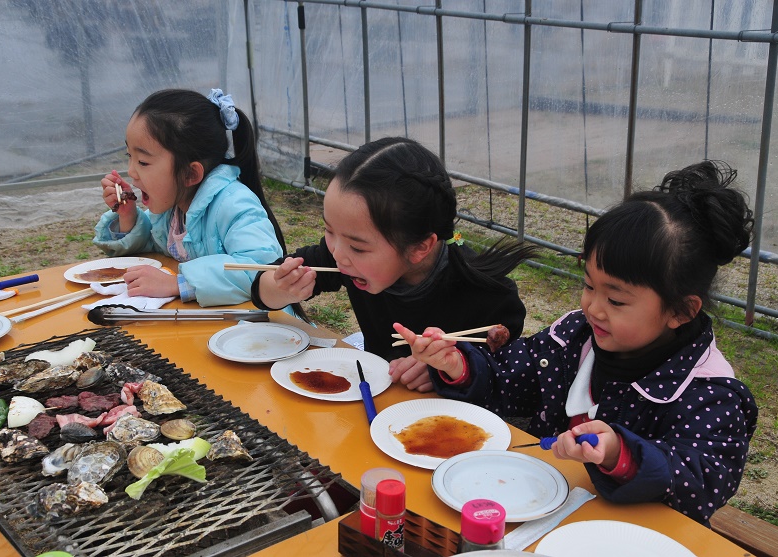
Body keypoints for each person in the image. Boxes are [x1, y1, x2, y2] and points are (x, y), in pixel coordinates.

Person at [394, 160, 758, 524]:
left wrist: (619, 453)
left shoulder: (711, 393)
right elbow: (510, 378)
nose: (593, 308)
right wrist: (457, 365)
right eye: (588, 285)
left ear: (680, 311)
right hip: (537, 505)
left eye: (616, 300)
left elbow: (703, 481)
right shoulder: (575, 336)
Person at [251, 137, 537, 388]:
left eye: (358, 247)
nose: (337, 252)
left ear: (419, 247)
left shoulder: (487, 296)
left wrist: (448, 367)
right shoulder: (340, 257)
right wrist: (281, 287)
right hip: (374, 394)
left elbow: (505, 370)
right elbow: (262, 292)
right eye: (329, 230)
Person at [93, 88, 286, 307]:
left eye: (143, 162)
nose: (132, 172)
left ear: (190, 174)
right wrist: (128, 218)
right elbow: (154, 243)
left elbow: (263, 268)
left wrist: (178, 283)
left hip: (259, 331)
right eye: (130, 156)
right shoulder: (173, 206)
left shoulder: (234, 204)